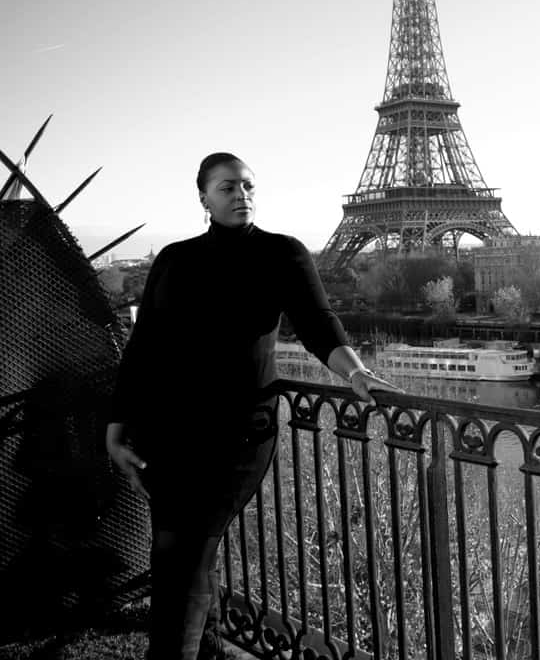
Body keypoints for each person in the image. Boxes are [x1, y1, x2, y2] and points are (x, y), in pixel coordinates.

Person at [105, 152, 400, 660]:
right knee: (178, 554)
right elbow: (144, 346)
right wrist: (116, 426)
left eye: (247, 186)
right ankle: (211, 652)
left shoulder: (282, 254)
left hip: (238, 435)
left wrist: (355, 371)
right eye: (226, 188)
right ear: (203, 197)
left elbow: (316, 323)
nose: (240, 195)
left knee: (186, 554)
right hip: (167, 433)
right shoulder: (173, 259)